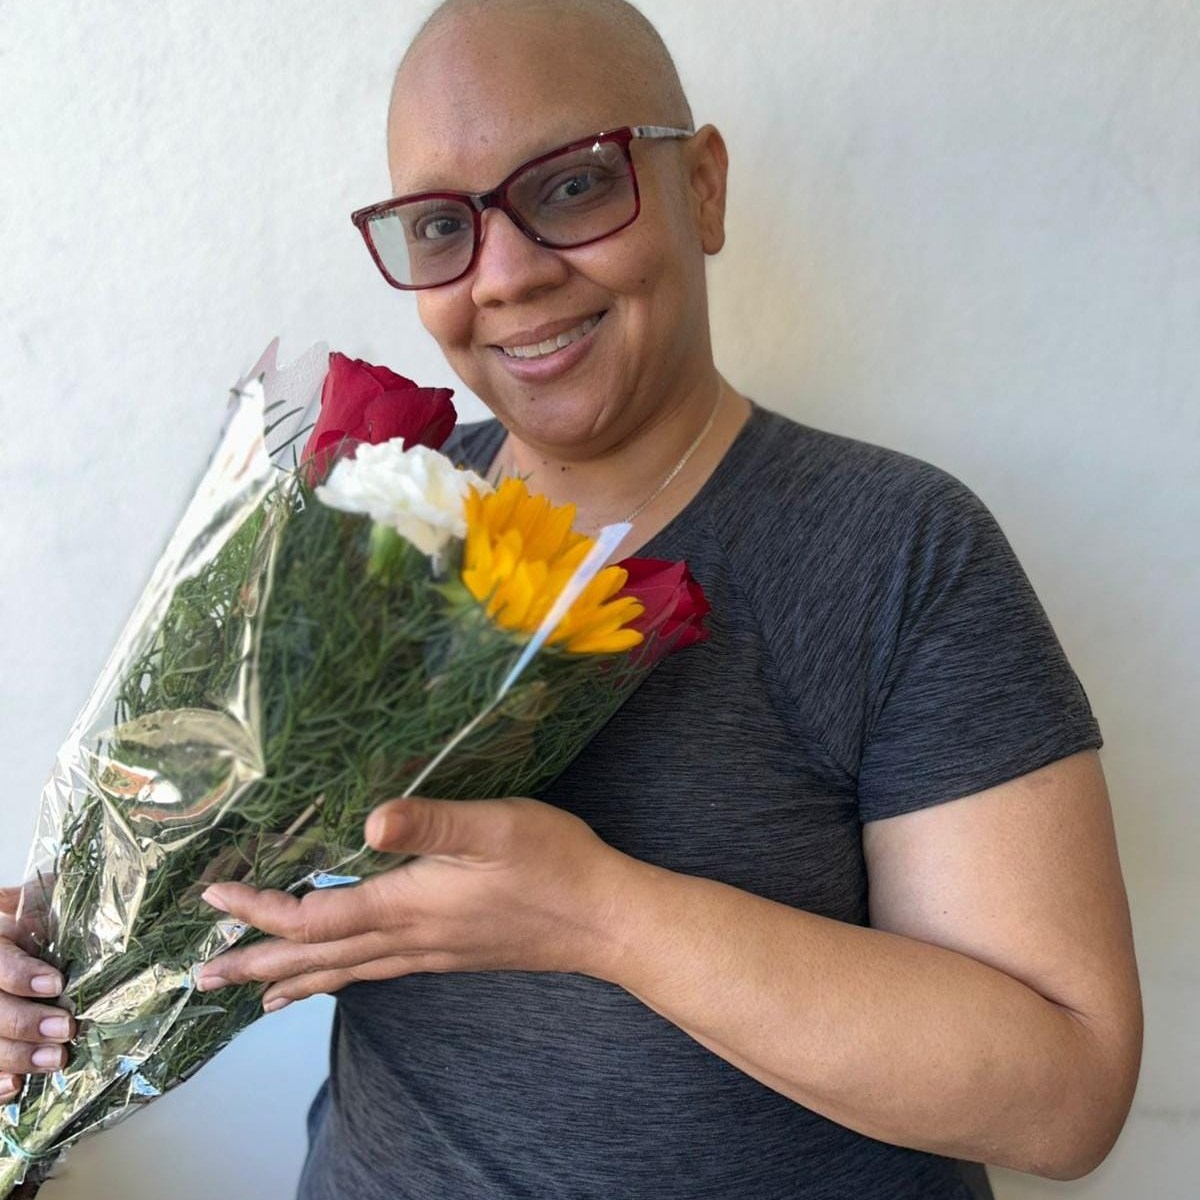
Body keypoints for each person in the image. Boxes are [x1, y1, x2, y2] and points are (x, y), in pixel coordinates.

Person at [0, 1, 1142, 1197]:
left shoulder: (899, 548)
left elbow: (1066, 1096)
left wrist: (602, 917)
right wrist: (58, 971)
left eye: (575, 185)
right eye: (442, 225)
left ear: (703, 187)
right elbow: (213, 880)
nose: (505, 275)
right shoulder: (372, 523)